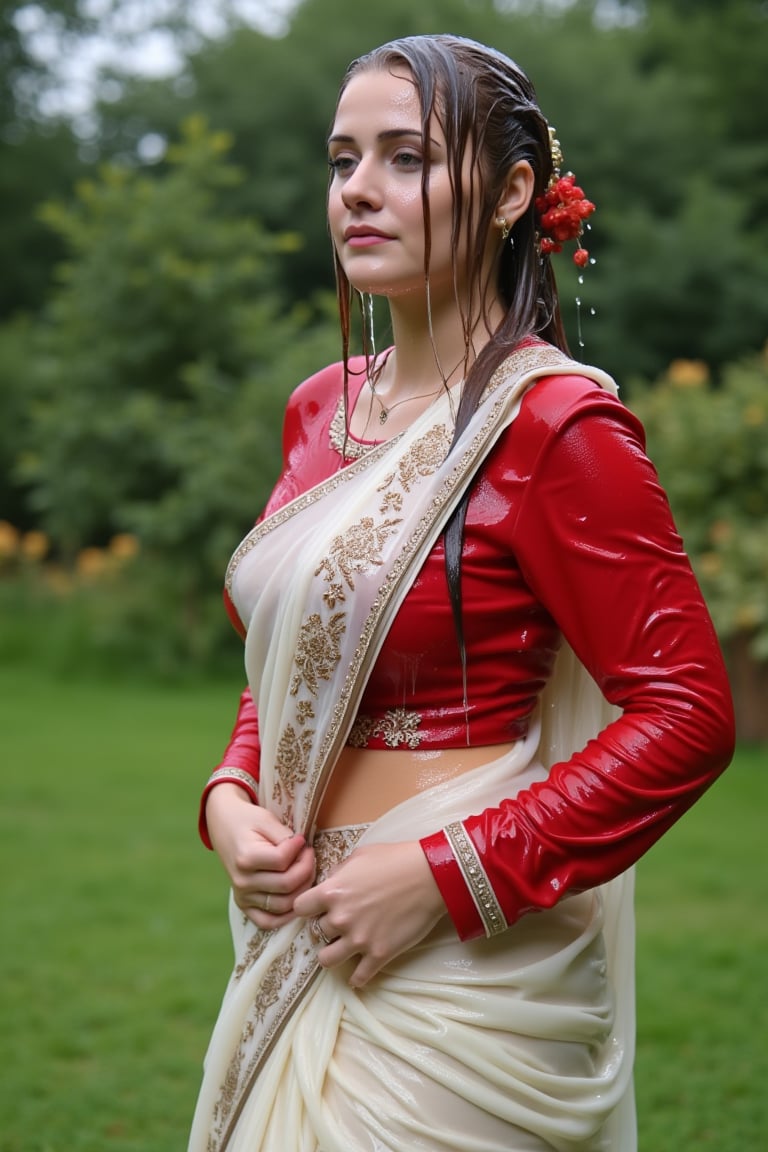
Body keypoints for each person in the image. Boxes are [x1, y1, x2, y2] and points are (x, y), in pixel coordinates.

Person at [187, 34, 734, 1152]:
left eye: (407, 158)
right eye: (343, 161)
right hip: (299, 932)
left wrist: (446, 877)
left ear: (513, 193)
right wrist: (230, 798)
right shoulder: (317, 411)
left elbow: (688, 713)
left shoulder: (557, 426)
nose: (360, 192)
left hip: (462, 970)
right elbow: (294, 659)